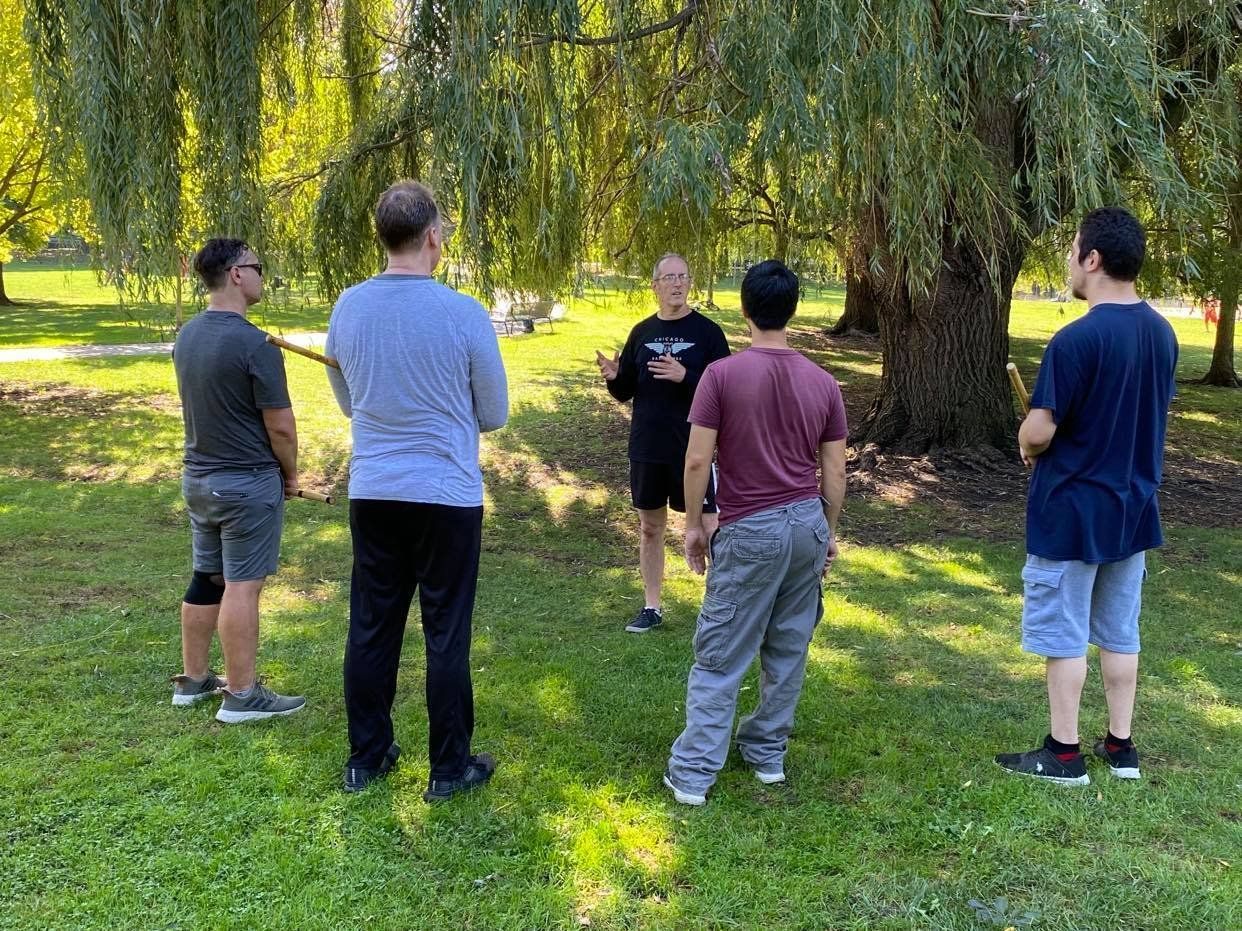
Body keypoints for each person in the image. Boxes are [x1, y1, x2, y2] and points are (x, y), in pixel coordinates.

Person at [326, 180, 509, 798]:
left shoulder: (349, 307)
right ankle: (448, 767)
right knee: (446, 630)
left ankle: (367, 757)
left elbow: (349, 401)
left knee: (372, 625)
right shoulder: (462, 313)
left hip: (375, 488)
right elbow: (494, 412)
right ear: (432, 236)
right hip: (445, 493)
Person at [996, 207, 1177, 785]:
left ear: (1092, 259)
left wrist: (1027, 440)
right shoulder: (1162, 332)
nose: (1070, 262)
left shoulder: (1076, 339)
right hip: (1134, 506)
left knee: (1066, 632)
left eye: (1073, 250)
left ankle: (1064, 754)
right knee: (1121, 632)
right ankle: (1121, 749)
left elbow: (1041, 430)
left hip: (1072, 509)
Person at [663, 259, 847, 806]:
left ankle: (693, 774)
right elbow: (834, 470)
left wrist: (695, 526)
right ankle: (767, 753)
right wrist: (828, 532)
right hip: (805, 525)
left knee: (721, 651)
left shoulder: (721, 376)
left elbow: (697, 462)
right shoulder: (823, 381)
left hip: (751, 529)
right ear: (791, 310)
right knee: (788, 647)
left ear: (745, 309)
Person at [171, 238, 306, 723]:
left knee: (207, 576)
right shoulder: (256, 344)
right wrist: (290, 475)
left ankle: (194, 681)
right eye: (258, 267)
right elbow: (281, 426)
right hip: (246, 485)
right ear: (235, 274)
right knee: (242, 587)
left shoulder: (186, 336)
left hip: (199, 482)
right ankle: (243, 695)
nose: (262, 276)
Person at [594, 253, 730, 633]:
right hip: (648, 446)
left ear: (689, 282)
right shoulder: (641, 332)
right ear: (654, 285)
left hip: (693, 449)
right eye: (668, 277)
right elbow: (625, 391)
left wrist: (686, 374)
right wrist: (614, 376)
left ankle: (720, 608)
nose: (676, 283)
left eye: (682, 277)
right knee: (650, 528)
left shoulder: (708, 333)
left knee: (710, 525)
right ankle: (652, 606)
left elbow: (725, 390)